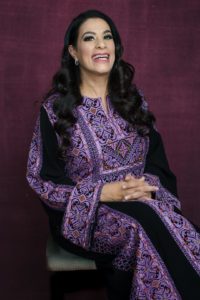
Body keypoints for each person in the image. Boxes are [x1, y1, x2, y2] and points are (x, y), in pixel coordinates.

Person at [26, 9, 200, 300]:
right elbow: (43, 181)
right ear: (74, 51)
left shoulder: (133, 100)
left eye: (107, 37)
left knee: (156, 217)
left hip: (143, 202)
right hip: (85, 217)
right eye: (90, 38)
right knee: (143, 224)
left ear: (115, 48)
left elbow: (158, 164)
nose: (101, 45)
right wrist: (106, 192)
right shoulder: (55, 110)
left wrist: (142, 187)